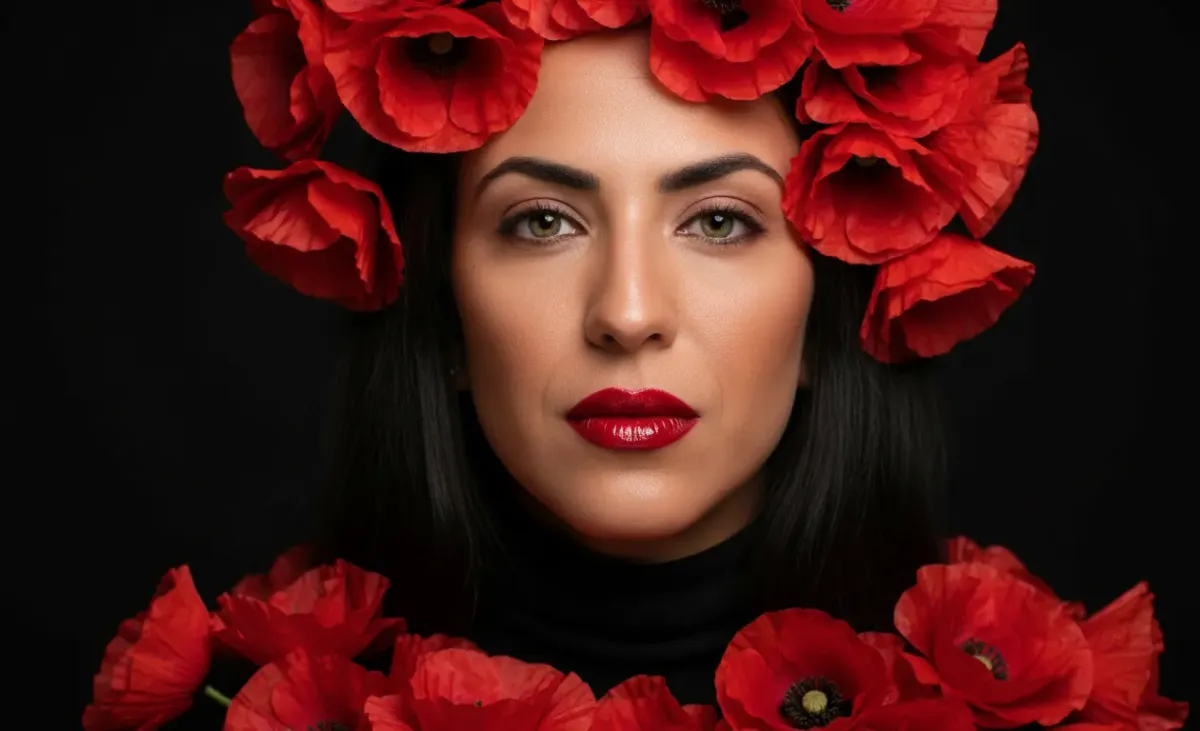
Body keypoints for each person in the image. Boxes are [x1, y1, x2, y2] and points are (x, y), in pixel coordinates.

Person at [217, 0, 1037, 709]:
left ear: (825, 312)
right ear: (444, 309)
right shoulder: (250, 705)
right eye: (542, 221)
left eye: (718, 221)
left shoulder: (1039, 703)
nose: (628, 313)